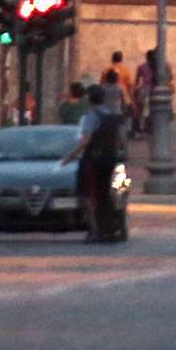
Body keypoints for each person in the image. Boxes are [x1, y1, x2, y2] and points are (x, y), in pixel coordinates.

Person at [74, 82, 129, 242]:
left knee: (91, 195)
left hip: (94, 160)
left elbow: (85, 140)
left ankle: (97, 229)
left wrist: (70, 156)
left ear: (89, 100)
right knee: (116, 193)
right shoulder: (112, 116)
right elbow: (121, 139)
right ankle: (115, 226)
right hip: (114, 160)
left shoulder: (90, 116)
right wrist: (124, 154)